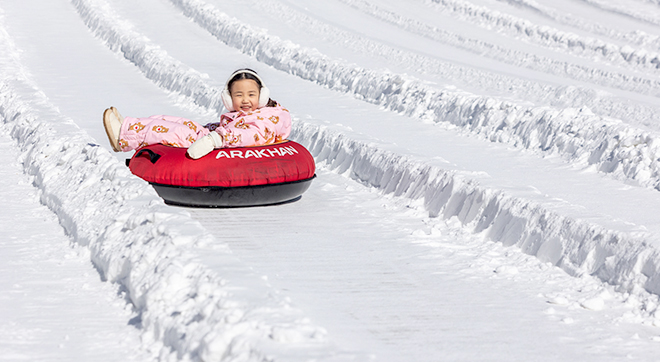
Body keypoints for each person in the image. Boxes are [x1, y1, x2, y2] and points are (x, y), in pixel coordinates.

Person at [103, 68, 292, 159]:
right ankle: (129, 125)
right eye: (238, 95)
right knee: (178, 122)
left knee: (175, 133)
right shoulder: (253, 113)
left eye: (251, 95)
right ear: (228, 98)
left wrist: (215, 139)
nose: (245, 100)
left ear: (261, 96)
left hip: (220, 143)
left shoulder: (265, 119)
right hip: (218, 135)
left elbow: (250, 135)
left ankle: (124, 137)